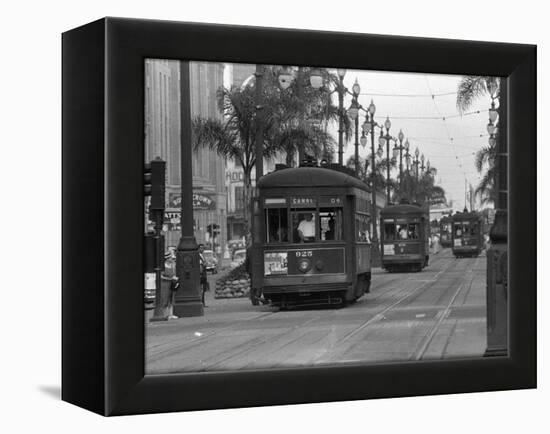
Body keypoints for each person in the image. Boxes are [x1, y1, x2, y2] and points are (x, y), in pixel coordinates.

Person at [162, 251, 179, 320]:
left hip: (172, 283)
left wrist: (175, 278)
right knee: (165, 299)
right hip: (165, 284)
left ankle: (171, 314)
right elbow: (161, 276)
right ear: (167, 258)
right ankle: (164, 315)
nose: (171, 259)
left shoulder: (172, 265)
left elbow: (174, 273)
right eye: (170, 258)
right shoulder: (163, 266)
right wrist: (170, 278)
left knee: (171, 299)